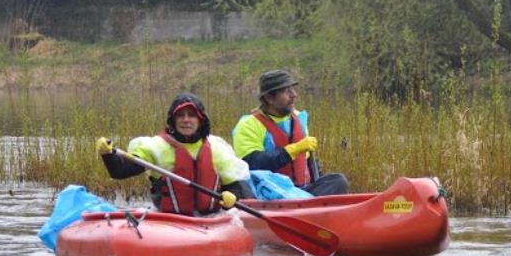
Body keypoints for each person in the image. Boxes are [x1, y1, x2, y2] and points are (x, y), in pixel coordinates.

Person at [97, 92, 253, 215]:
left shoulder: (216, 148)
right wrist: (108, 154)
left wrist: (232, 196)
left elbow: (236, 186)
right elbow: (120, 171)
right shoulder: (157, 146)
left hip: (211, 219)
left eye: (191, 115)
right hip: (170, 221)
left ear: (200, 120)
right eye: (181, 115)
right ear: (173, 120)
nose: (186, 120)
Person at [232, 69, 348, 197]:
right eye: (286, 91)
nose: (294, 95)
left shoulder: (298, 118)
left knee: (338, 181)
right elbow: (252, 163)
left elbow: (306, 161)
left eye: (293, 89)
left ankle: (309, 202)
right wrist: (291, 151)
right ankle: (306, 203)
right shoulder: (248, 125)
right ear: (269, 98)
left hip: (301, 191)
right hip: (270, 195)